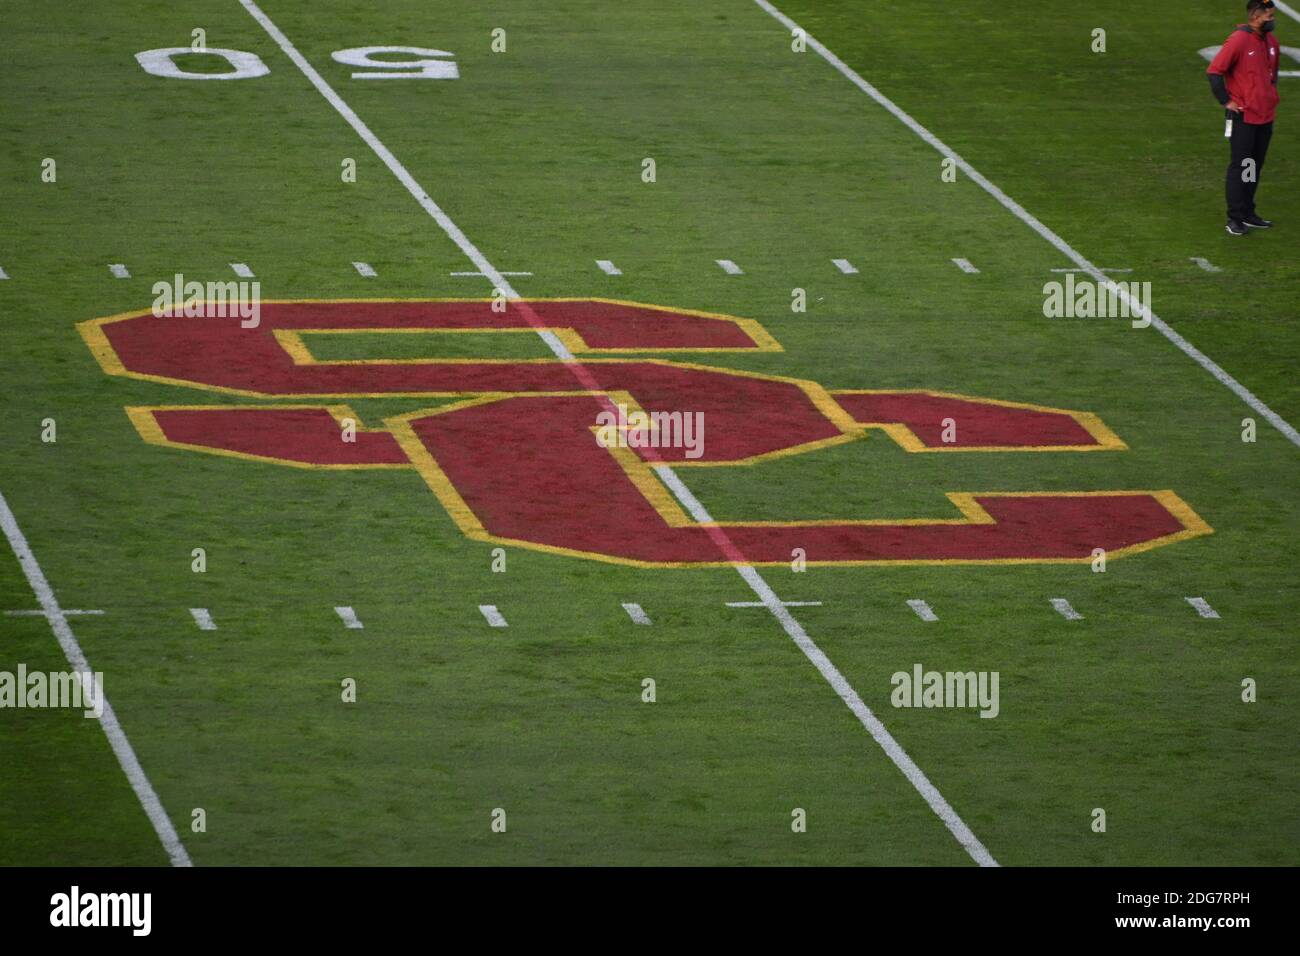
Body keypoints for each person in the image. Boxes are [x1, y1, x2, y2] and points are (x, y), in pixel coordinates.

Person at [1207, 0, 1280, 236]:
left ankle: (1248, 212)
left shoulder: (1272, 42)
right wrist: (1227, 100)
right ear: (1255, 17)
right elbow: (1215, 71)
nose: (1272, 20)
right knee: (1241, 166)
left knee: (1253, 165)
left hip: (1265, 116)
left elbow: (1271, 76)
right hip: (1244, 117)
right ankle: (1235, 217)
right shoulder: (1239, 40)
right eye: (1269, 16)